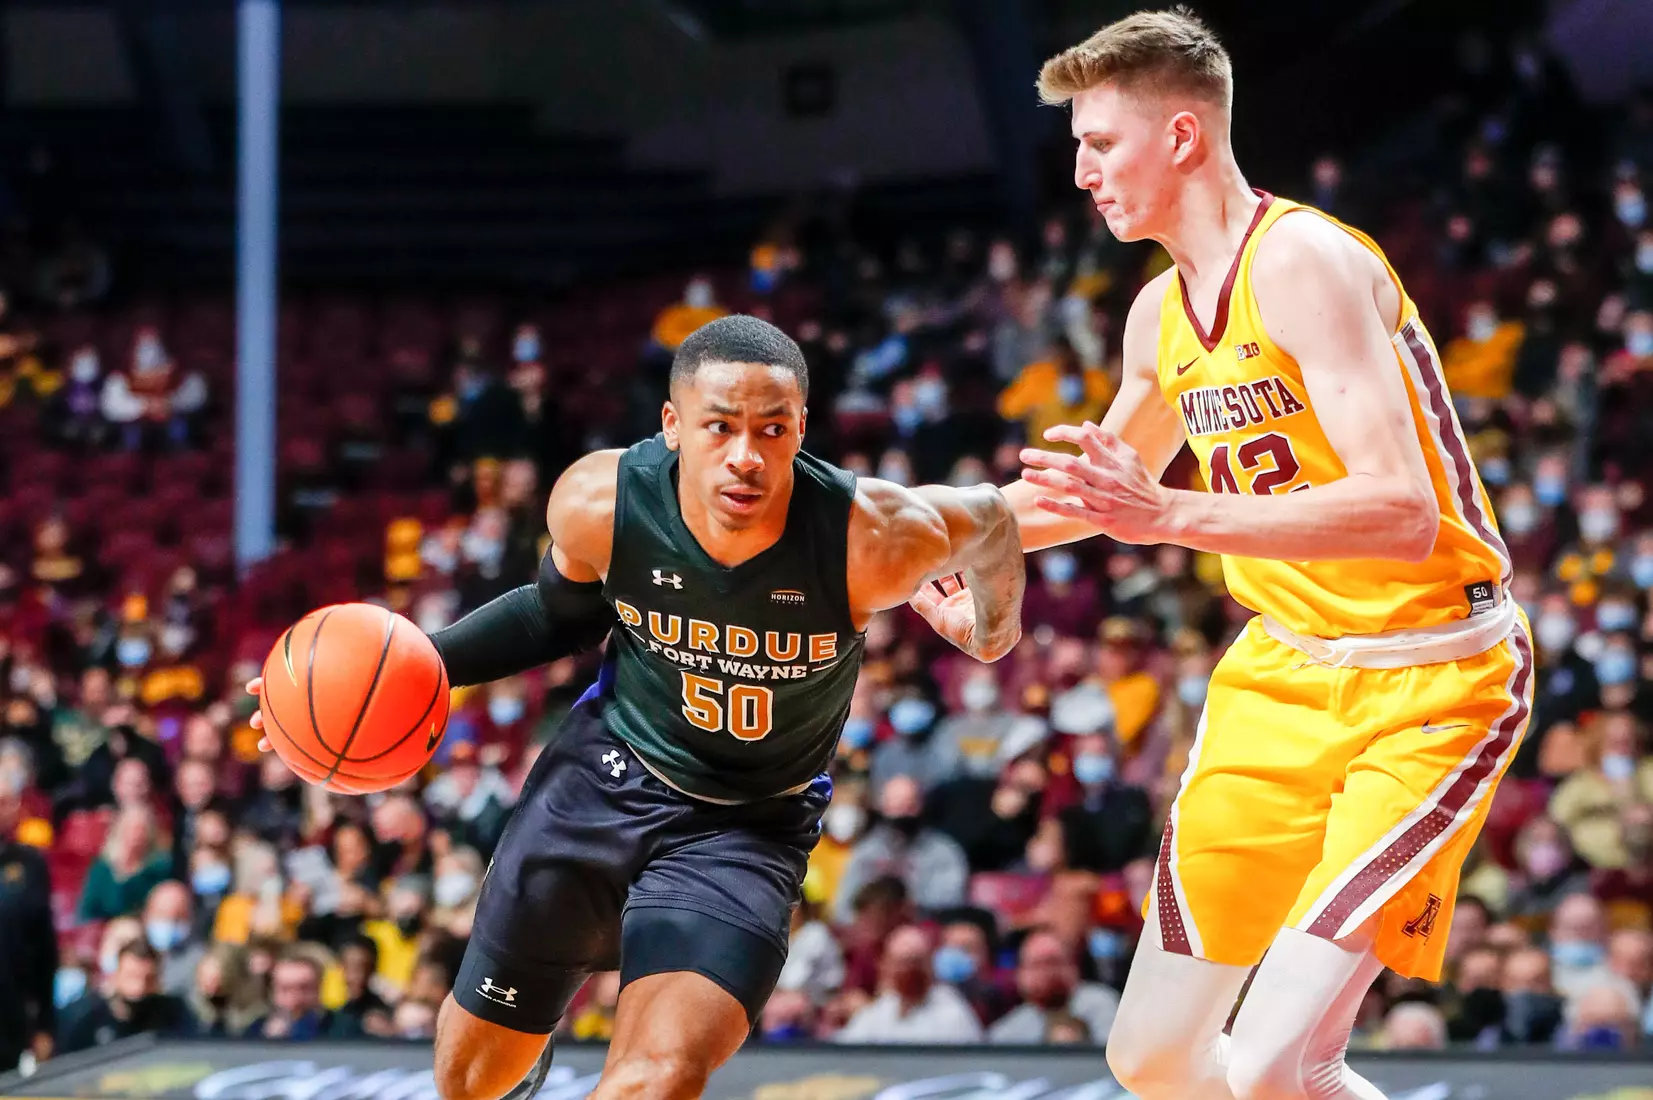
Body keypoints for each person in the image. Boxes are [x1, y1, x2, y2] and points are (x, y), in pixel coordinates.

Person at [924, 9, 1534, 1098]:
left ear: (1184, 135)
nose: (1080, 173)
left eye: (1098, 143)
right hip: (1283, 671)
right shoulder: (1157, 316)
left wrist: (1166, 516)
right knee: (1151, 1057)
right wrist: (903, 540)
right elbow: (1089, 498)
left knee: (1270, 1066)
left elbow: (1400, 511)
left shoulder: (1304, 259)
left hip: (1434, 674)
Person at [250, 314, 1026, 1100]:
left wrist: (990, 635)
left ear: (801, 429)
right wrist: (398, 675)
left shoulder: (870, 535)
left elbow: (995, 522)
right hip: (601, 781)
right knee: (467, 1082)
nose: (746, 457)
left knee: (655, 1081)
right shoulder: (600, 500)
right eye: (719, 427)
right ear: (672, 426)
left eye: (773, 429)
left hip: (746, 825)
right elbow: (561, 617)